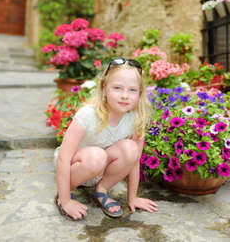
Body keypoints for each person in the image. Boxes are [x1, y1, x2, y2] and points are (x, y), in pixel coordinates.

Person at [54, 57, 158, 220]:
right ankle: (68, 190)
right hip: (77, 166)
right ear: (104, 88)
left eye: (132, 90)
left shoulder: (135, 118)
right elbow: (63, 158)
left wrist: (133, 198)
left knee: (131, 149)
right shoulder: (88, 114)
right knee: (97, 156)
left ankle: (101, 190)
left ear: (140, 93)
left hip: (100, 168)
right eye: (117, 88)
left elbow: (134, 160)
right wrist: (65, 200)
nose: (125, 96)